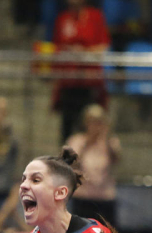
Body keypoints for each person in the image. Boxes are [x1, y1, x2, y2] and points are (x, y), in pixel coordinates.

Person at [52, 0, 109, 142]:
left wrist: (83, 52)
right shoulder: (63, 18)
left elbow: (103, 47)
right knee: (67, 129)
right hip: (69, 83)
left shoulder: (95, 17)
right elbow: (57, 48)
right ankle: (66, 162)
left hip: (89, 83)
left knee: (88, 126)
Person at [66, 104, 120, 227]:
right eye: (92, 122)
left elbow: (117, 159)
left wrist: (107, 139)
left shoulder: (110, 142)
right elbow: (71, 163)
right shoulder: (77, 141)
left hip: (105, 197)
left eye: (99, 122)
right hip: (83, 198)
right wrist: (88, 142)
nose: (95, 126)